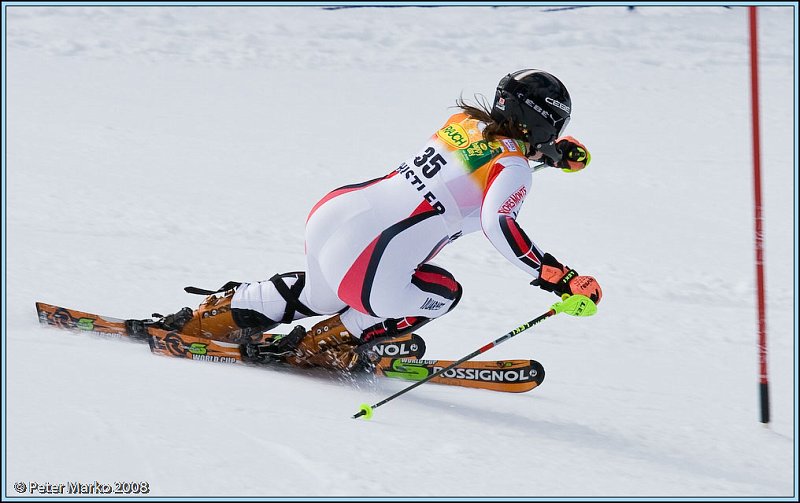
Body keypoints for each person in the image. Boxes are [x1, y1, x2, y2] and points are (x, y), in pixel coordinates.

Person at [135, 69, 602, 372]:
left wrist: (553, 154)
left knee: (317, 292)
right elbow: (500, 221)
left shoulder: (465, 122)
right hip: (375, 257)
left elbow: (495, 149)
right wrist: (557, 276)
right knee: (442, 294)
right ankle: (331, 343)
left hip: (335, 216)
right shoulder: (514, 169)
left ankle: (209, 318)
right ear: (542, 126)